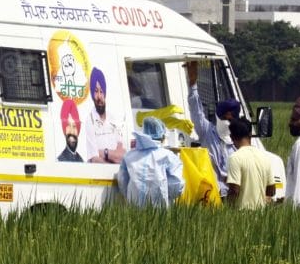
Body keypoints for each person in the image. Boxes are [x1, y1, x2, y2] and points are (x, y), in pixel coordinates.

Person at [184, 61, 240, 199]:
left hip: (233, 196)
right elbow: (196, 111)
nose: (227, 122)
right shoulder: (207, 131)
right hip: (211, 195)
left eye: (231, 119)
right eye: (224, 118)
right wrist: (193, 84)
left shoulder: (238, 140)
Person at [116, 117, 185, 208]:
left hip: (133, 210)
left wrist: (131, 197)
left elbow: (122, 182)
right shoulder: (168, 156)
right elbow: (176, 185)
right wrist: (164, 194)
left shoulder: (129, 156)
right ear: (162, 136)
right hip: (159, 210)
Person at [226, 117, 275, 210]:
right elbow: (271, 191)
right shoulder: (264, 156)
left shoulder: (235, 158)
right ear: (250, 135)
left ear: (232, 137)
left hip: (241, 213)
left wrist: (226, 208)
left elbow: (234, 191)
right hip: (261, 213)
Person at [85, 67, 128, 164]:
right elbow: (94, 159)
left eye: (101, 91)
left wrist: (104, 152)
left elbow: (123, 155)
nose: (99, 96)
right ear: (92, 94)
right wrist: (113, 158)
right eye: (96, 91)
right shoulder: (90, 121)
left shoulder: (113, 119)